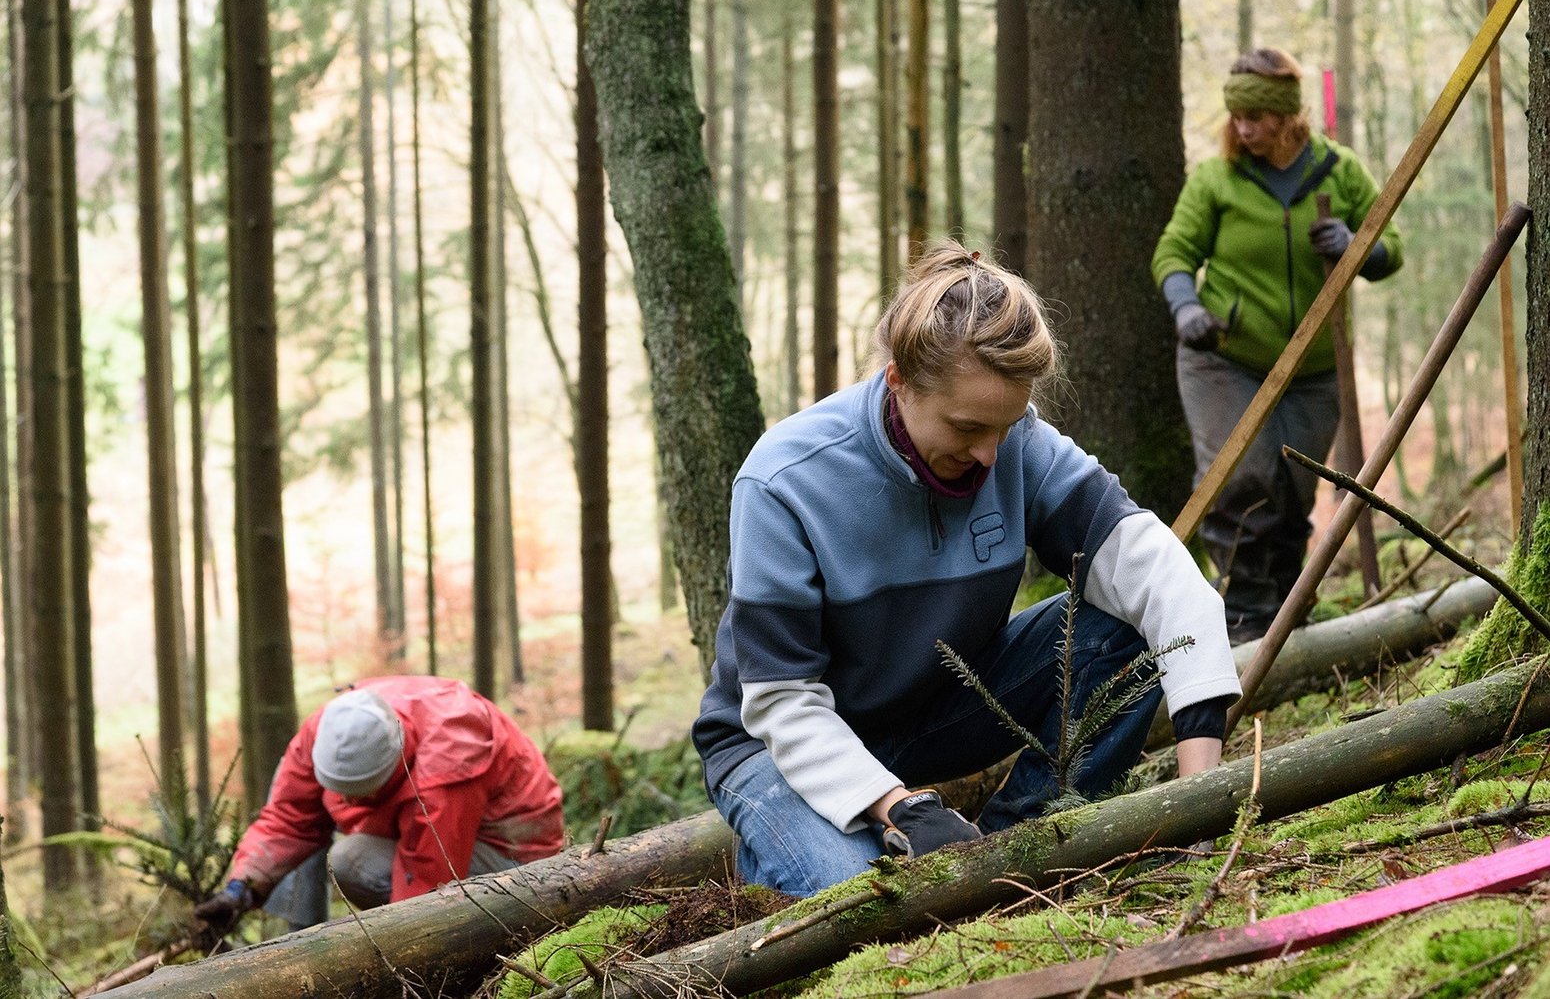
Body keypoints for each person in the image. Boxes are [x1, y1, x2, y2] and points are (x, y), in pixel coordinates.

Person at [691, 240, 1243, 898]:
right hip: (773, 746)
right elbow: (781, 699)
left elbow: (1169, 587)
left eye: (1004, 428)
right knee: (875, 903)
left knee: (1129, 635)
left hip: (934, 708)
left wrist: (1200, 801)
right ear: (898, 380)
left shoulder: (1018, 444)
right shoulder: (786, 481)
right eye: (966, 428)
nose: (989, 456)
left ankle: (1016, 855)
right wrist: (903, 810)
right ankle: (792, 851)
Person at [1152, 47, 1404, 644]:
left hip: (1316, 369)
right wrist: (1186, 306)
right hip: (1224, 358)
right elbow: (1174, 252)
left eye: (1256, 117)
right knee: (1242, 477)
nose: (1243, 128)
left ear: (1288, 116)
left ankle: (1285, 613)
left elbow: (1390, 246)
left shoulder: (1338, 171)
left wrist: (1355, 243)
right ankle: (1241, 616)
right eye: (1236, 116)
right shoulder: (1217, 180)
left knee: (1293, 488)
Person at [194, 676, 564, 933]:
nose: (347, 803)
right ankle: (298, 934)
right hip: (419, 833)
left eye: (360, 794)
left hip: (517, 860)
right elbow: (290, 820)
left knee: (351, 861)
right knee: (342, 850)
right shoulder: (328, 730)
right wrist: (241, 888)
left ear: (396, 763)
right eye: (339, 792)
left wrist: (399, 956)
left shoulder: (448, 763)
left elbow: (427, 885)